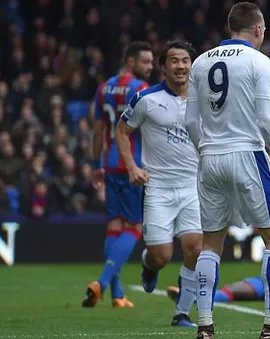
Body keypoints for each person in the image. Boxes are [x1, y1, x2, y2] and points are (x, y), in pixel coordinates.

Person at [185, 2, 270, 338]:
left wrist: (206, 151)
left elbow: (191, 121)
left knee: (211, 243)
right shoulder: (260, 62)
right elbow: (266, 120)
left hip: (209, 158)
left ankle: (204, 329)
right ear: (258, 29)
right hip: (247, 155)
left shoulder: (200, 62)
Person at [114, 41, 203, 327]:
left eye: (186, 60)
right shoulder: (146, 99)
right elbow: (121, 131)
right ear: (163, 67)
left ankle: (182, 313)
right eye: (174, 61)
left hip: (193, 186)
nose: (181, 66)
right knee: (161, 256)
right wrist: (132, 167)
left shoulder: (204, 99)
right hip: (159, 188)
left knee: (195, 249)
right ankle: (148, 266)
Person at [83, 41, 153, 309]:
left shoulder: (104, 88)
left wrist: (96, 163)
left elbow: (98, 130)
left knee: (114, 227)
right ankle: (101, 283)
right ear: (131, 62)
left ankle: (117, 293)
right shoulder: (141, 89)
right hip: (133, 164)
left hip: (110, 164)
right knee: (134, 229)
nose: (149, 67)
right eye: (145, 62)